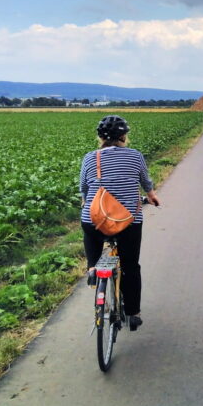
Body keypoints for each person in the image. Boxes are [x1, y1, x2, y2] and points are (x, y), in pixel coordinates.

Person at [80, 115, 161, 331]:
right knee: (130, 266)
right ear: (124, 136)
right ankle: (133, 313)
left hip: (95, 221)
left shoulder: (90, 158)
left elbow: (85, 190)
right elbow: (146, 183)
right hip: (127, 222)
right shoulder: (135, 156)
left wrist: (88, 204)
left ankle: (92, 268)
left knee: (89, 227)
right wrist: (152, 196)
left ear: (100, 137)